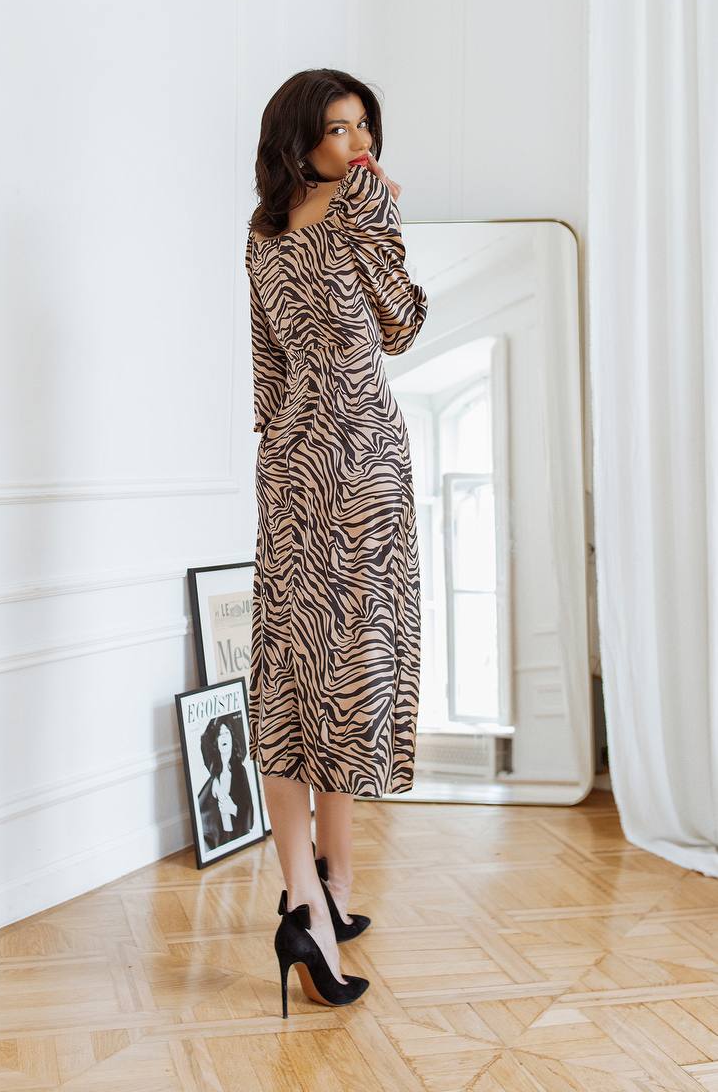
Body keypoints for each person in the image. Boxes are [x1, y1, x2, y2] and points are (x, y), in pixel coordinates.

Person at [245, 68, 429, 1017]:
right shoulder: (294, 223)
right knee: (325, 669)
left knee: (314, 667)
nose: (356, 144)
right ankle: (312, 901)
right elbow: (403, 325)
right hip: (345, 458)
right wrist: (369, 215)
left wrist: (369, 213)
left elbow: (273, 374)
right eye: (335, 128)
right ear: (299, 137)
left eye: (364, 126)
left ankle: (320, 885)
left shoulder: (268, 226)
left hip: (304, 461)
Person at [197, 715, 254, 850]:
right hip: (214, 843)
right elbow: (205, 738)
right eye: (220, 734)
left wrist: (233, 808)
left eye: (227, 733)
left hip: (234, 840)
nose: (223, 737)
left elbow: (249, 815)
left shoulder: (240, 772)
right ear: (216, 742)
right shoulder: (214, 777)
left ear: (233, 739)